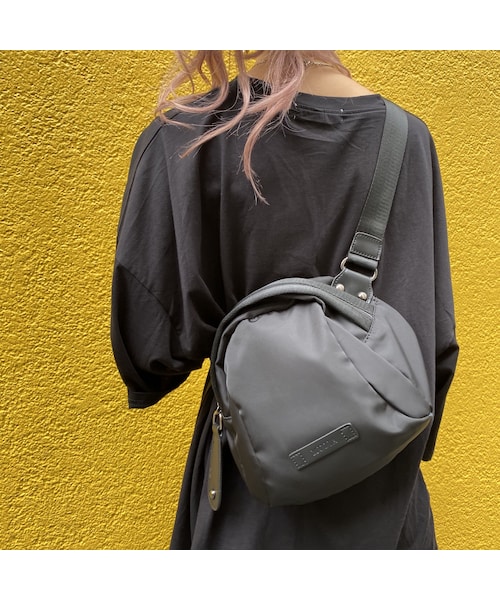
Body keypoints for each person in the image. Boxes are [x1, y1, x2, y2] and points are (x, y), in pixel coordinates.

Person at [111, 51, 459, 549]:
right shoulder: (407, 139)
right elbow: (433, 342)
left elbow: (150, 351)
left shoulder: (188, 136)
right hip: (386, 505)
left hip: (251, 501)